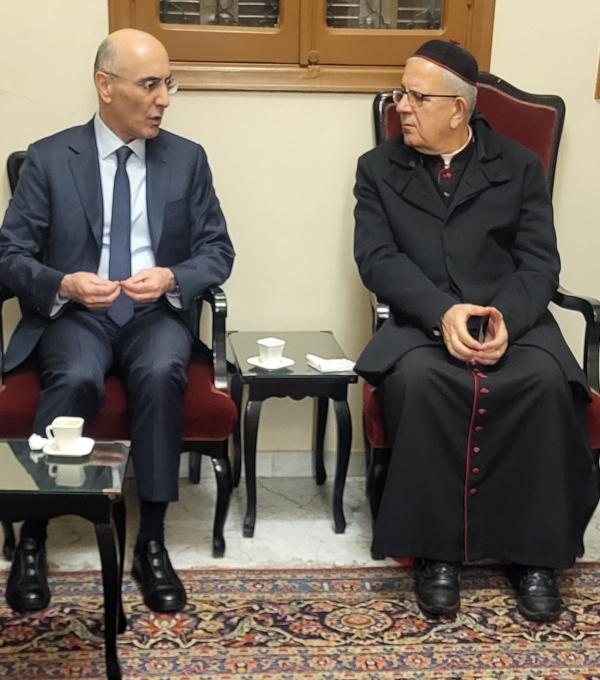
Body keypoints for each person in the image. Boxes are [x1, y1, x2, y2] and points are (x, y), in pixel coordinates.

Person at [353, 39, 599, 621]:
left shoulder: (519, 165)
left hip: (515, 322)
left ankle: (535, 557)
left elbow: (540, 263)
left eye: (416, 97)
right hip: (422, 324)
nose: (401, 107)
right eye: (400, 94)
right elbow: (377, 259)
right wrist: (442, 312)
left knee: (543, 384)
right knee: (420, 381)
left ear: (458, 109)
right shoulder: (377, 168)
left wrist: (504, 318)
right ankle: (436, 554)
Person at [0, 29, 234, 614]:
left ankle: (150, 542)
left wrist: (172, 276)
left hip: (154, 314)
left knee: (159, 372)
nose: (164, 99)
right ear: (105, 86)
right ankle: (34, 536)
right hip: (78, 313)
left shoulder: (188, 159)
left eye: (168, 84)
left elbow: (217, 251)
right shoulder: (50, 158)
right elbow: (10, 255)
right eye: (150, 85)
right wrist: (64, 284)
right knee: (76, 377)